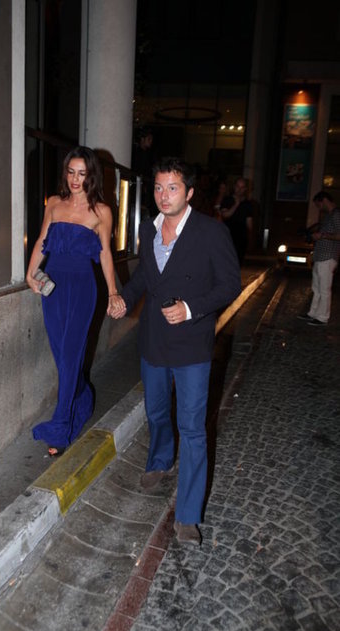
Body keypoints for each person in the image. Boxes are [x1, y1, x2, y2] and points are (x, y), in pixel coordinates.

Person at [109, 158, 241, 545]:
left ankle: (188, 515)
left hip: (191, 345)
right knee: (155, 412)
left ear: (190, 192)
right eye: (158, 187)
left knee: (193, 428)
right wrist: (124, 298)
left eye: (172, 188)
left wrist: (190, 308)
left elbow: (229, 285)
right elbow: (144, 279)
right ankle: (160, 460)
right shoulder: (148, 231)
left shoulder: (211, 232)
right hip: (153, 340)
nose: (164, 195)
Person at [26, 146, 124, 457]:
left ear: (91, 176)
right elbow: (42, 241)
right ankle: (83, 398)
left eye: (82, 173)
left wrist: (113, 292)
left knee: (70, 357)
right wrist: (30, 272)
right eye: (71, 172)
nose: (75, 178)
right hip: (53, 289)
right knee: (63, 357)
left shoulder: (101, 211)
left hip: (83, 289)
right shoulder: (54, 204)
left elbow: (105, 254)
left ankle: (60, 427)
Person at [297, 190, 340, 326]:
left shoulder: (337, 214)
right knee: (316, 288)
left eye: (318, 205)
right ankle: (313, 313)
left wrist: (322, 235)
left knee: (324, 289)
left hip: (328, 256)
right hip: (320, 256)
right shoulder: (328, 216)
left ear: (324, 200)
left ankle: (322, 318)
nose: (318, 208)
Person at [220, 177, 253, 265]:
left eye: (242, 187)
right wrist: (236, 205)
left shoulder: (248, 204)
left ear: (245, 189)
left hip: (241, 238)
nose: (239, 190)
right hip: (228, 237)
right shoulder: (227, 200)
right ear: (234, 187)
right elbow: (225, 215)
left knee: (238, 261)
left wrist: (250, 238)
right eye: (238, 186)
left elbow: (249, 223)